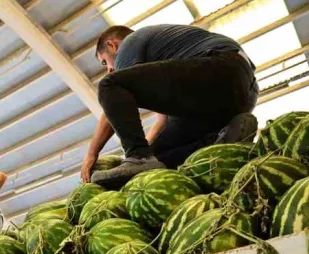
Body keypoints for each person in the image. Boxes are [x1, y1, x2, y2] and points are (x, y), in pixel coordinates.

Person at [81, 24, 259, 187]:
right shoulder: (161, 55)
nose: (109, 69)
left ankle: (139, 157)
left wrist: (92, 154)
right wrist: (146, 153)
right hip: (242, 94)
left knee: (108, 85)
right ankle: (223, 138)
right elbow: (162, 120)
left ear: (112, 45)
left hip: (221, 68)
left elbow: (111, 106)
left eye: (105, 61)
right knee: (162, 156)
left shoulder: (130, 43)